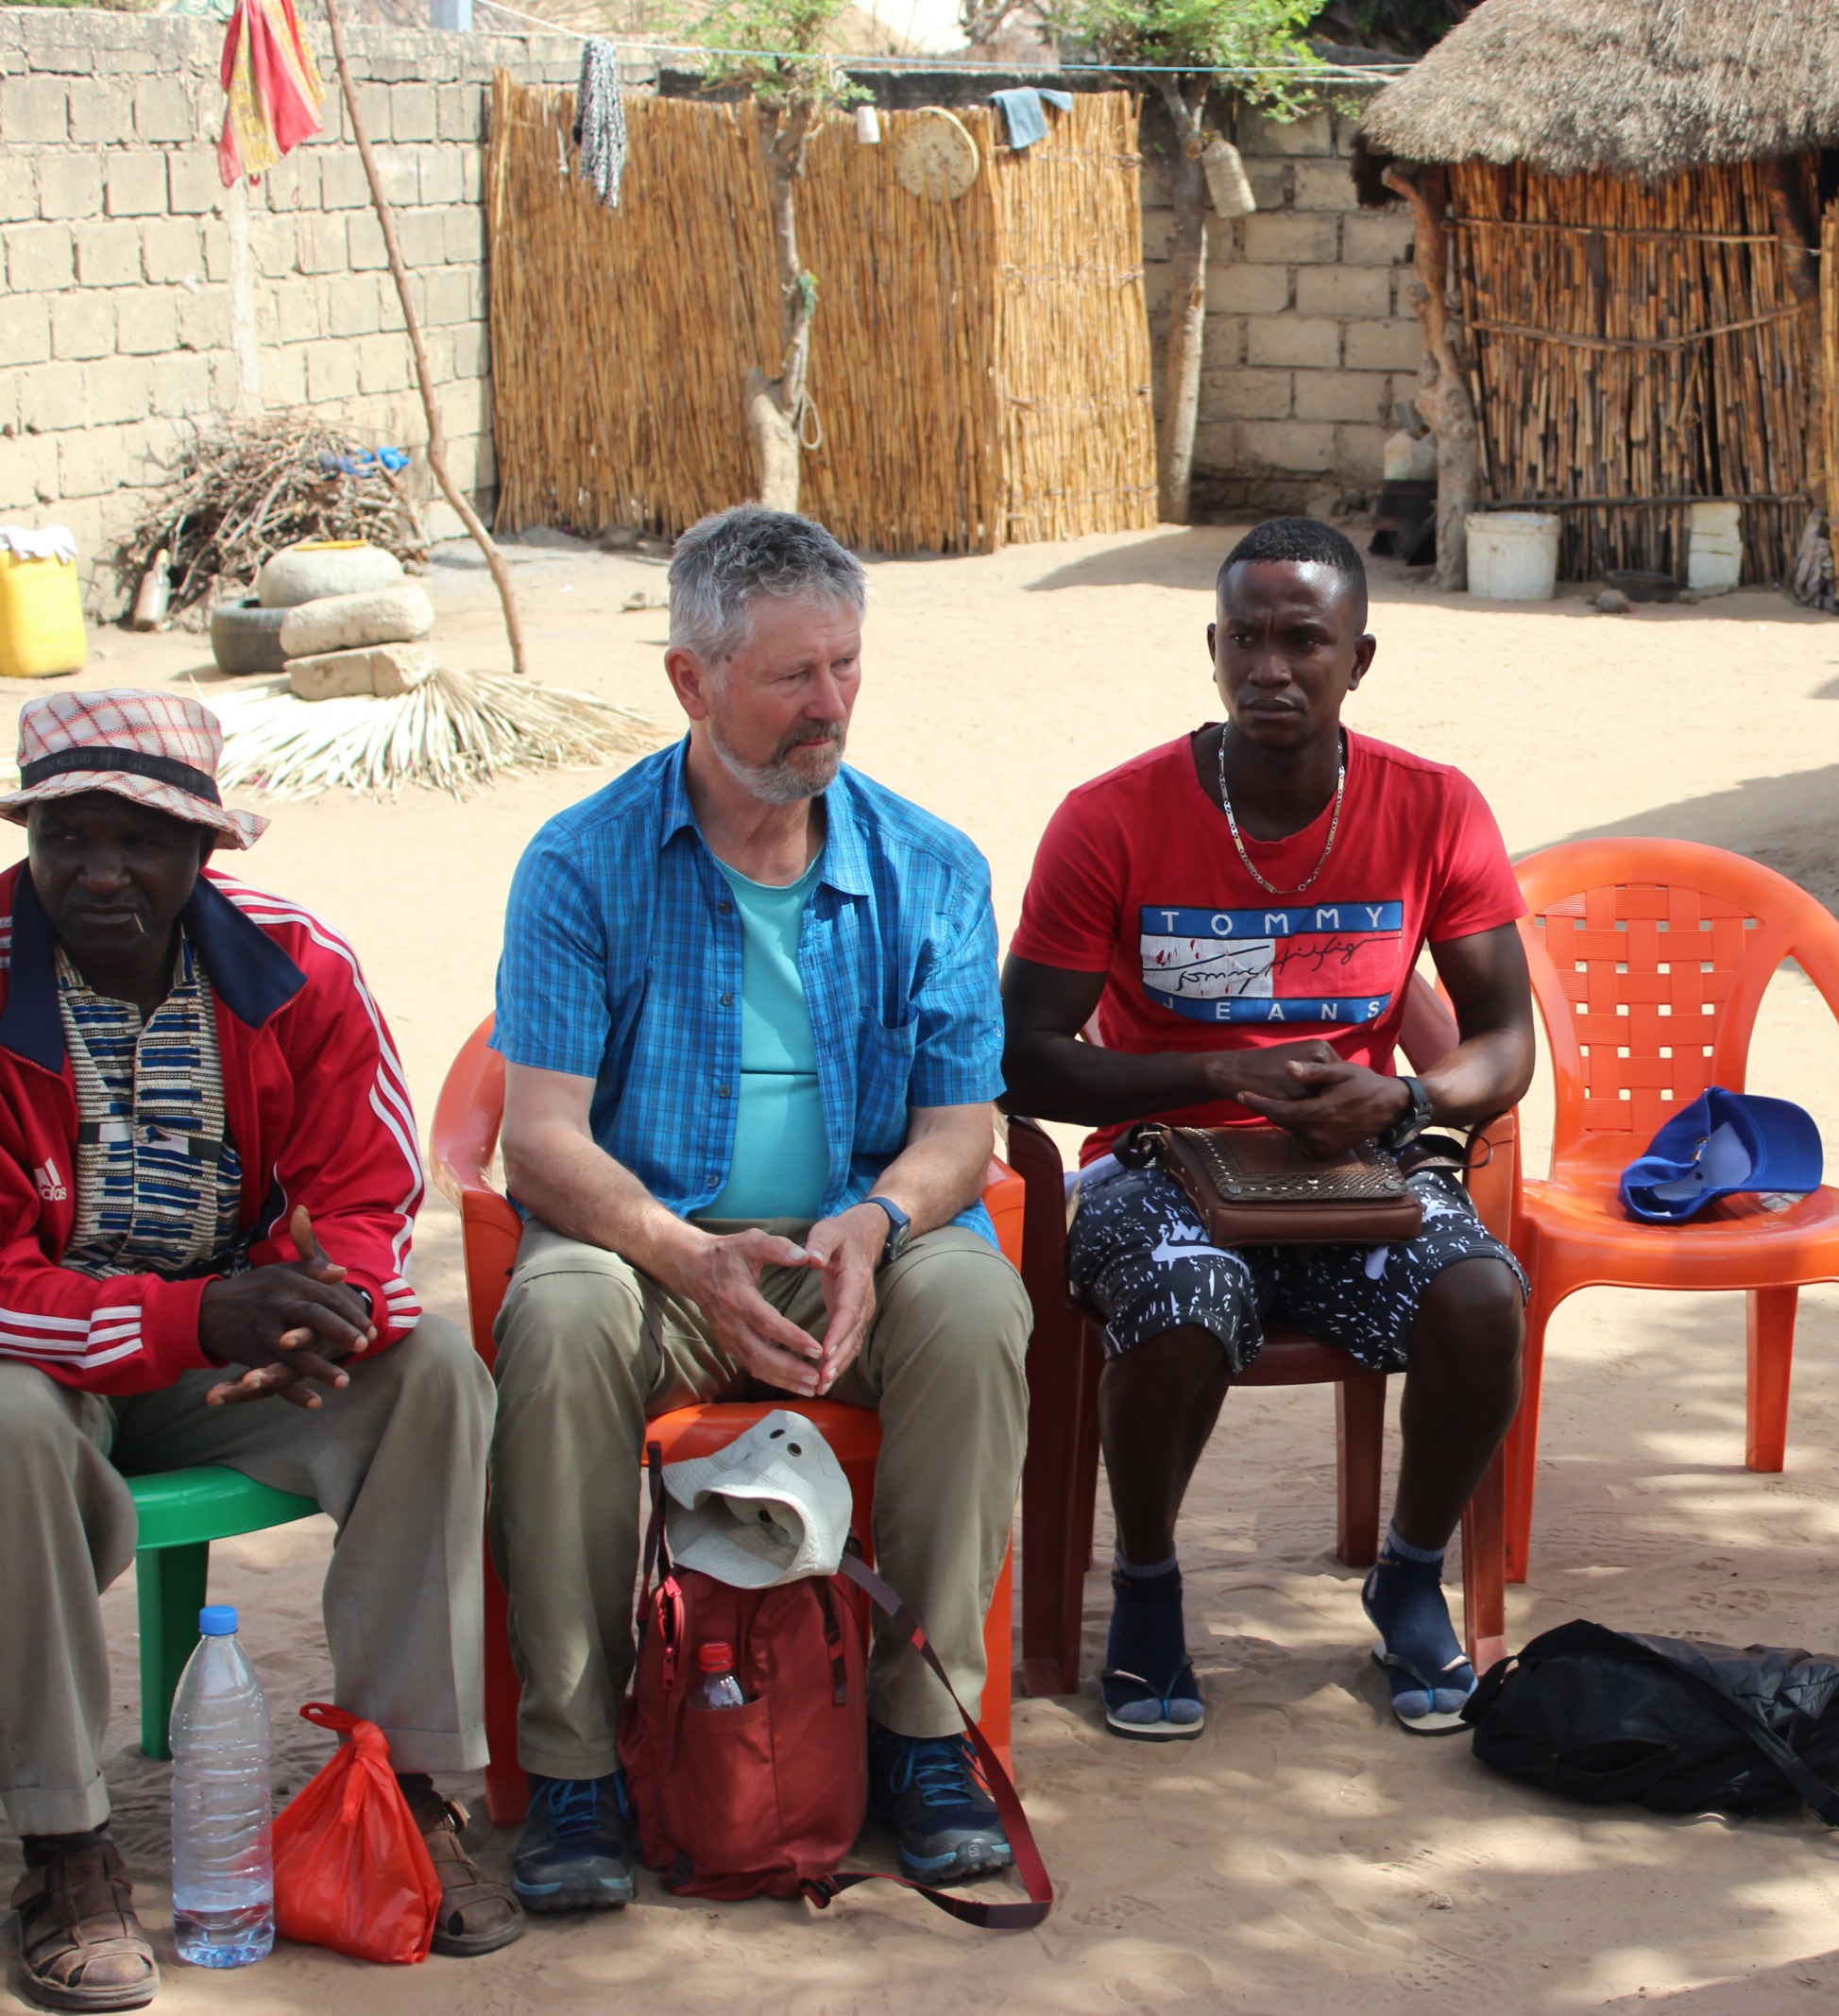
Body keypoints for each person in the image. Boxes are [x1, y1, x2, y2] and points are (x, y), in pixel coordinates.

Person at [488, 506, 1030, 1912]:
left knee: (977, 1302)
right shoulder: (581, 863)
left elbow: (960, 1131)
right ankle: (574, 1770)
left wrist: (882, 1224)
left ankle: (923, 1744)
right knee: (555, 1311)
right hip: (661, 1261)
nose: (831, 705)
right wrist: (680, 1248)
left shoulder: (932, 866)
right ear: (691, 679)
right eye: (794, 676)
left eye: (846, 665)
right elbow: (538, 1139)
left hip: (853, 1263)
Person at [0, 692, 518, 2008]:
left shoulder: (298, 965)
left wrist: (320, 1301)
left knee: (436, 1375)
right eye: (69, 835)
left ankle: (405, 1790)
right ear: (32, 840)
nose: (100, 871)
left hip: (233, 1361)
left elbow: (371, 1186)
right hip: (46, 1369)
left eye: (141, 839)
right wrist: (191, 1316)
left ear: (205, 854)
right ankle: (64, 1841)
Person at [1002, 516, 1532, 1741]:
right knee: (1185, 1296)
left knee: (1479, 1295)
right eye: (1246, 638)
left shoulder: (1435, 808)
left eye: (1305, 641)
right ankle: (1146, 1583)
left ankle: (1407, 1575)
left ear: (1362, 656)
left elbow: (1505, 1040)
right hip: (1155, 1170)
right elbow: (1022, 1052)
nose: (1272, 668)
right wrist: (1221, 1075)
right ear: (1213, 646)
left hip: (1357, 1163)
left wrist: (1405, 1100)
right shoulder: (1113, 819)